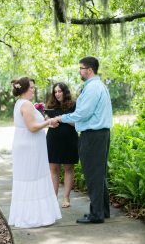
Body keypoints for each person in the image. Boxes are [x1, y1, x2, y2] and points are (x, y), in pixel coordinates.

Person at [56, 57, 112, 224]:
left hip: (93, 135)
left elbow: (82, 114)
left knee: (93, 174)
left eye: (81, 68)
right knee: (98, 174)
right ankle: (102, 211)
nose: (79, 71)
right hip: (99, 134)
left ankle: (96, 215)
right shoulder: (97, 86)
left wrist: (61, 118)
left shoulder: (93, 88)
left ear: (89, 70)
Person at [8, 77, 62, 228]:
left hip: (28, 145)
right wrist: (49, 122)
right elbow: (32, 128)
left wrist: (44, 122)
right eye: (31, 87)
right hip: (29, 148)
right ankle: (32, 218)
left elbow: (32, 124)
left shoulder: (22, 103)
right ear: (24, 89)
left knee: (32, 177)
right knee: (32, 177)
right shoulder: (25, 104)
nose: (33, 90)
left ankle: (36, 215)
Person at [46, 82, 79, 208]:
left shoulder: (74, 105)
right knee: (54, 170)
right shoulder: (51, 106)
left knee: (68, 169)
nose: (57, 94)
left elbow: (77, 123)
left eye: (59, 91)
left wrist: (62, 118)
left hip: (69, 140)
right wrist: (47, 121)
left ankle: (66, 198)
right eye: (55, 92)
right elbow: (48, 123)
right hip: (53, 140)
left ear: (65, 92)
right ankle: (53, 198)